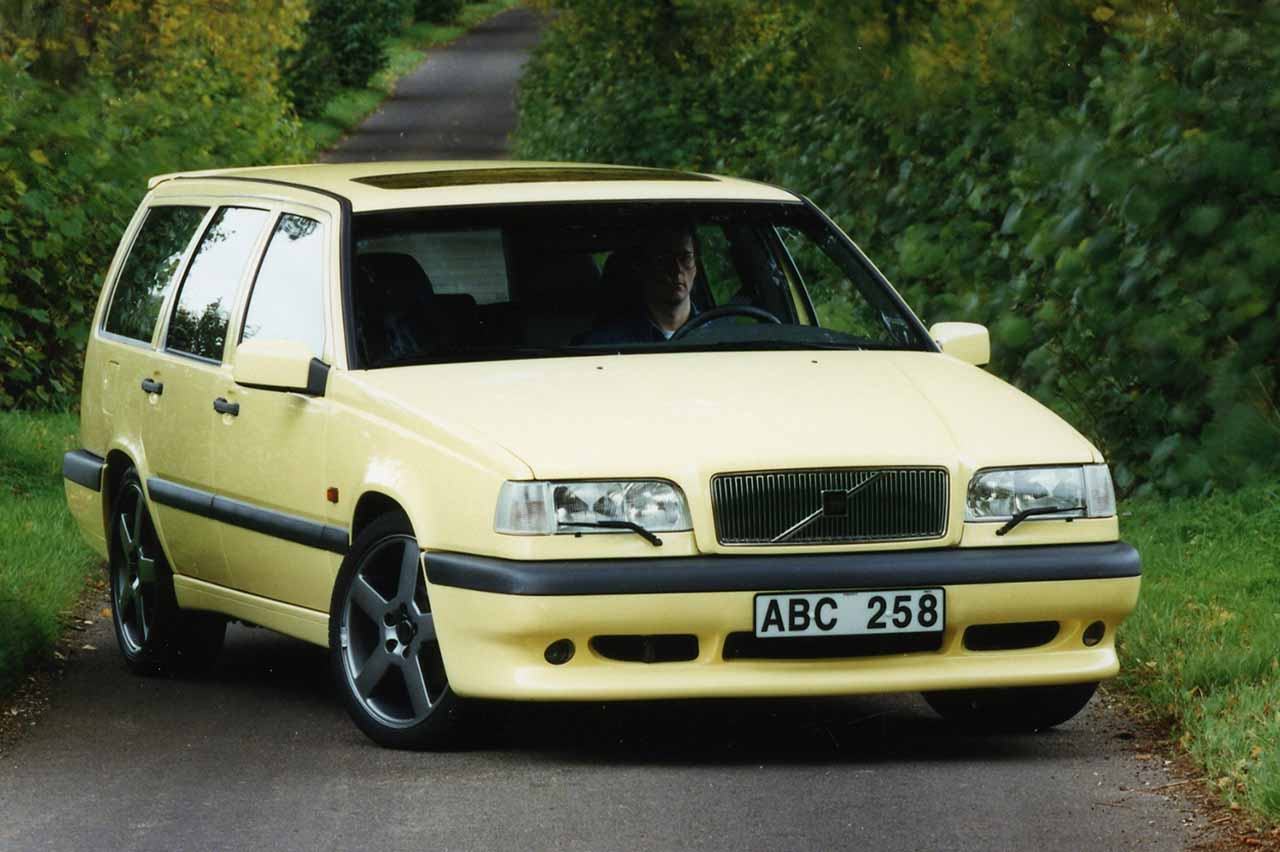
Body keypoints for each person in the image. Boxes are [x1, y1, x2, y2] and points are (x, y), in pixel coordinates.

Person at [583, 227, 700, 344]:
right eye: (663, 259)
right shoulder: (606, 343)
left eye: (686, 258)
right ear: (642, 268)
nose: (677, 269)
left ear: (696, 266)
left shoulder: (714, 332)